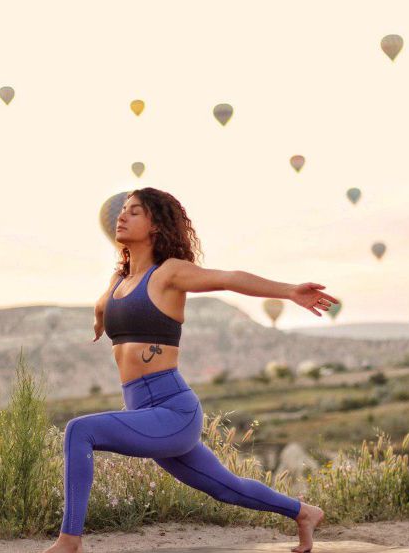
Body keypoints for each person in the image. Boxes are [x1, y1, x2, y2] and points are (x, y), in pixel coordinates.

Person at [43, 188, 333, 553]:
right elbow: (103, 305)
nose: (122, 216)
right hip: (143, 412)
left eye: (134, 212)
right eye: (122, 211)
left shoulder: (169, 274)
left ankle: (70, 541)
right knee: (226, 487)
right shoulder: (118, 282)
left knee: (79, 430)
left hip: (172, 410)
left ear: (155, 226)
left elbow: (228, 277)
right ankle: (303, 512)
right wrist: (101, 321)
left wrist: (289, 290)